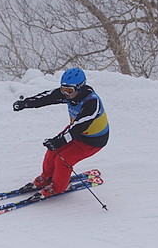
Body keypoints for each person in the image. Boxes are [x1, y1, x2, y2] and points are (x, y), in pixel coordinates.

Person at [13, 67, 109, 199]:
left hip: (94, 140)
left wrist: (58, 141)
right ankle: (46, 177)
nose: (65, 94)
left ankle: (57, 187)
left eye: (69, 91)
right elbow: (47, 97)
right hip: (78, 132)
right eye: (63, 90)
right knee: (52, 151)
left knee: (63, 159)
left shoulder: (92, 103)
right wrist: (25, 103)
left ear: (80, 87)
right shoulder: (69, 94)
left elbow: (77, 128)